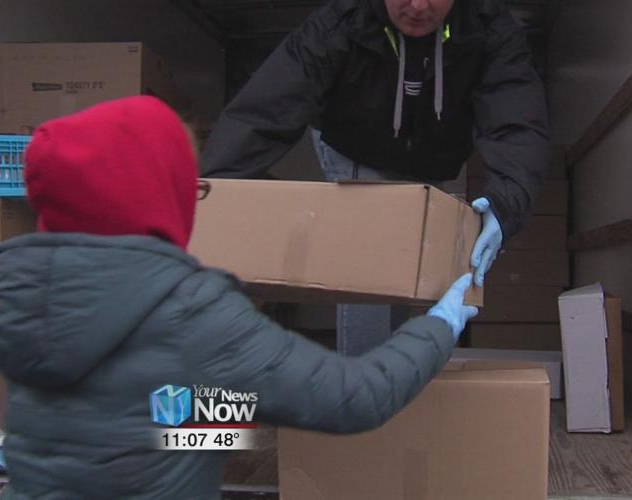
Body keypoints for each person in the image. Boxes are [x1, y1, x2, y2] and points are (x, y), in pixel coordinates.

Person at [0, 96, 478, 499]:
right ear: (155, 196)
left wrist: (237, 411)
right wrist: (440, 324)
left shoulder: (29, 300)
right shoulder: (188, 310)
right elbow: (357, 396)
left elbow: (139, 417)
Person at [200, 0, 550, 353]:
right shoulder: (342, 21)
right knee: (371, 254)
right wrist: (208, 187)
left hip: (429, 155)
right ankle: (361, 379)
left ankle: (389, 372)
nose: (417, 5)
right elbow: (264, 110)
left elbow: (516, 121)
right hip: (353, 143)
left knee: (405, 261)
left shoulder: (488, 27)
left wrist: (507, 204)